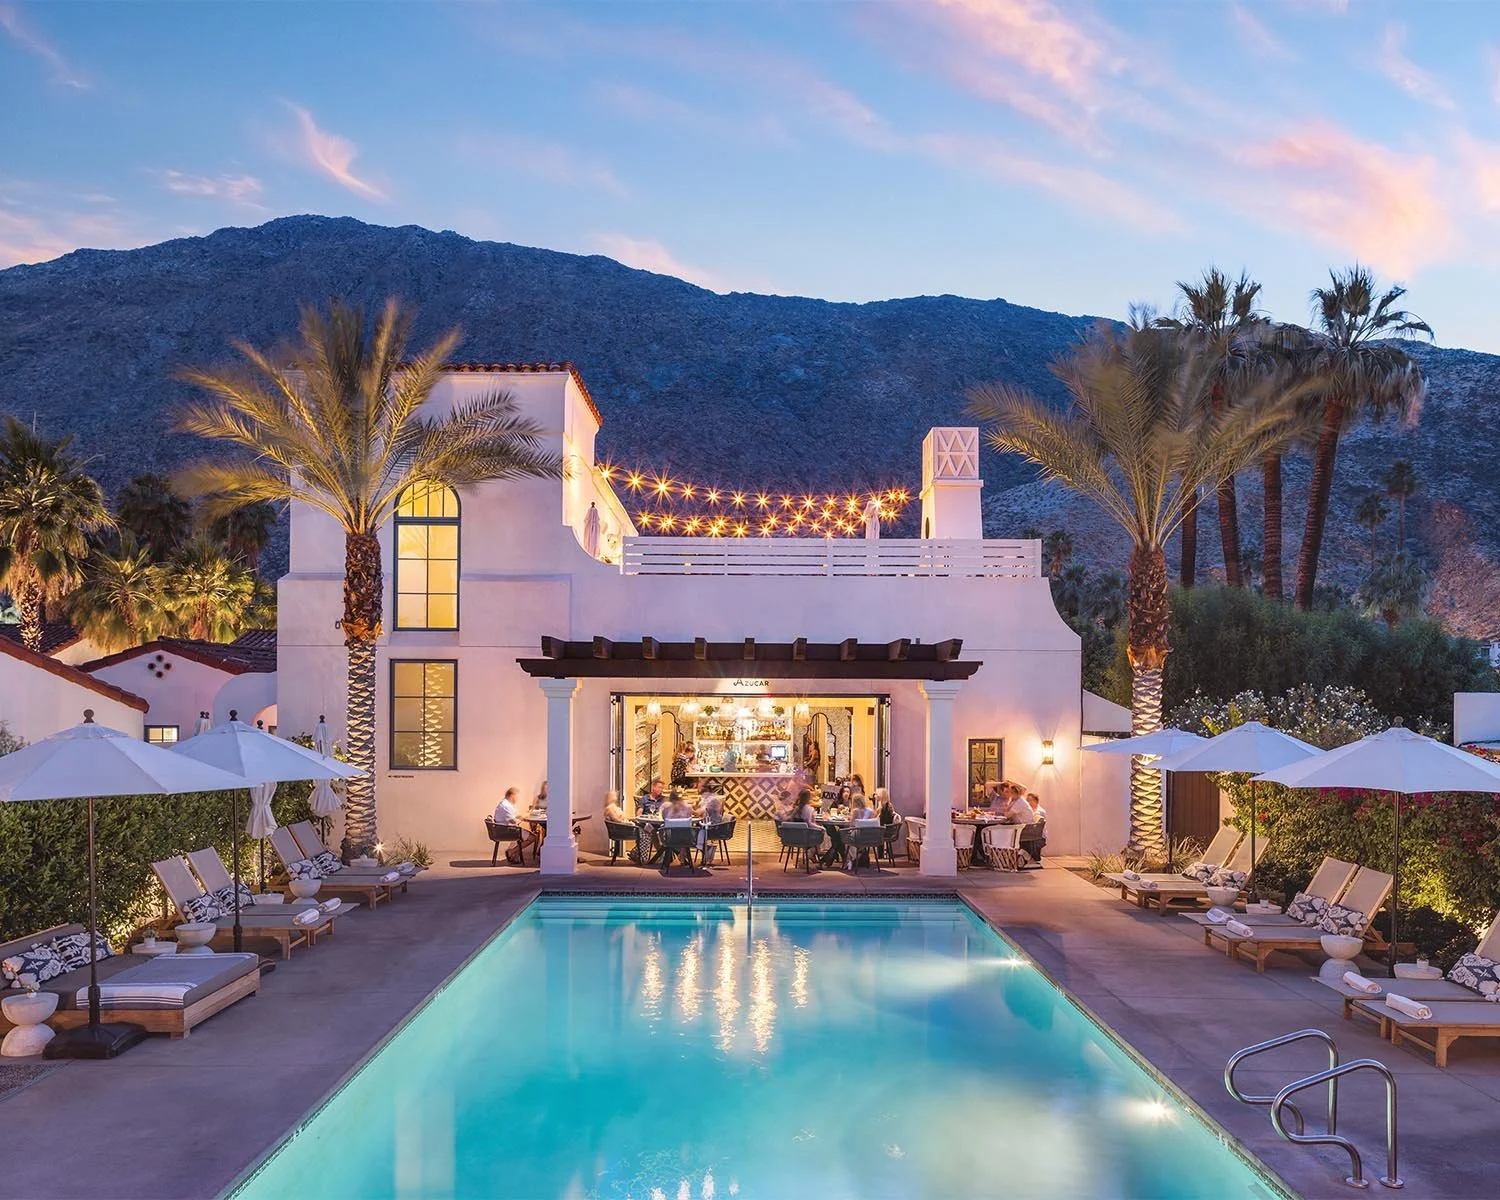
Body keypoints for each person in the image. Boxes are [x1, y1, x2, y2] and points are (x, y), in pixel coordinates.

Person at [492, 787, 535, 865]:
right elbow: (515, 821)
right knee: (532, 837)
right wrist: (524, 816)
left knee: (524, 834)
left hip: (505, 828)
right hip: (506, 830)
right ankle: (511, 852)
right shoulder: (506, 806)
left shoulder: (506, 804)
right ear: (512, 795)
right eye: (516, 796)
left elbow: (517, 815)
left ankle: (514, 854)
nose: (517, 799)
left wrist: (527, 813)